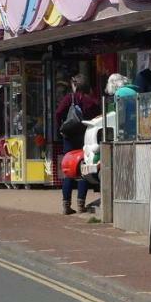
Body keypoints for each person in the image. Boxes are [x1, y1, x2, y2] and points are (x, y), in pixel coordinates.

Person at [55, 73, 102, 215]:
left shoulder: (69, 98)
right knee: (83, 168)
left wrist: (61, 128)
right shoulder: (91, 101)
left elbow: (58, 113)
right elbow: (98, 116)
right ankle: (81, 203)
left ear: (75, 85)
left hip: (69, 136)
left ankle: (66, 204)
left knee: (69, 170)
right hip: (85, 137)